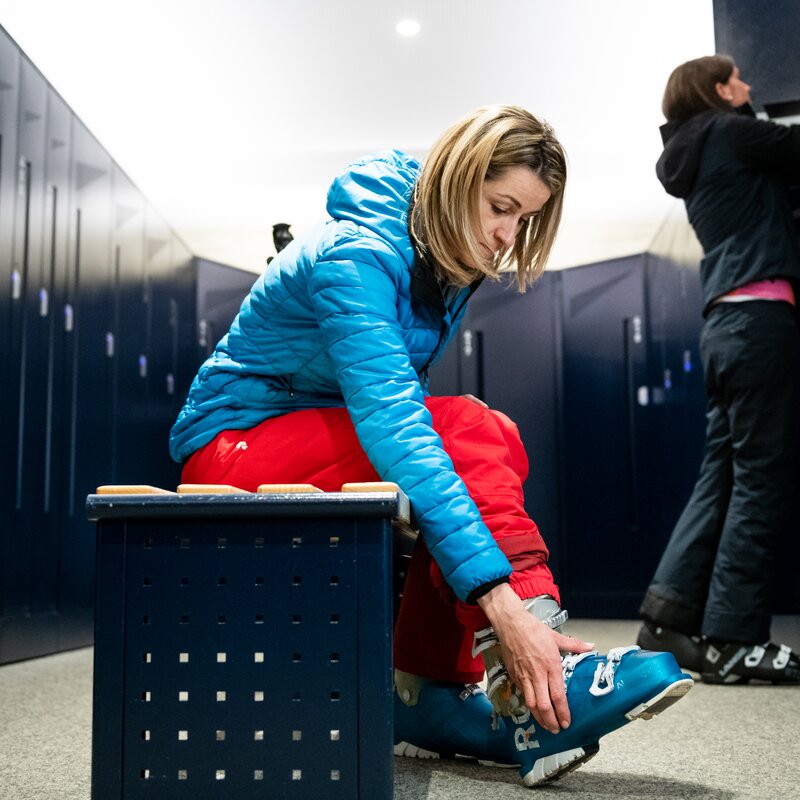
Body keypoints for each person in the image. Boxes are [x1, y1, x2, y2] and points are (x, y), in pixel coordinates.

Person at [171, 105, 692, 786]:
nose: (508, 235)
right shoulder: (357, 254)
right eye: (501, 207)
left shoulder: (441, 265)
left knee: (488, 434)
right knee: (468, 432)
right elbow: (395, 423)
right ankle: (532, 647)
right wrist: (506, 605)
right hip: (233, 445)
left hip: (312, 437)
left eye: (525, 219)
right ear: (456, 179)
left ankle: (425, 692)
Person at [638, 55, 800, 685]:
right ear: (716, 91)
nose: (750, 89)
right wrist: (750, 114)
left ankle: (667, 616)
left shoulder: (696, 152)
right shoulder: (731, 132)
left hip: (723, 326)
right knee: (760, 478)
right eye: (738, 82)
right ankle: (735, 638)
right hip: (760, 320)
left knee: (723, 474)